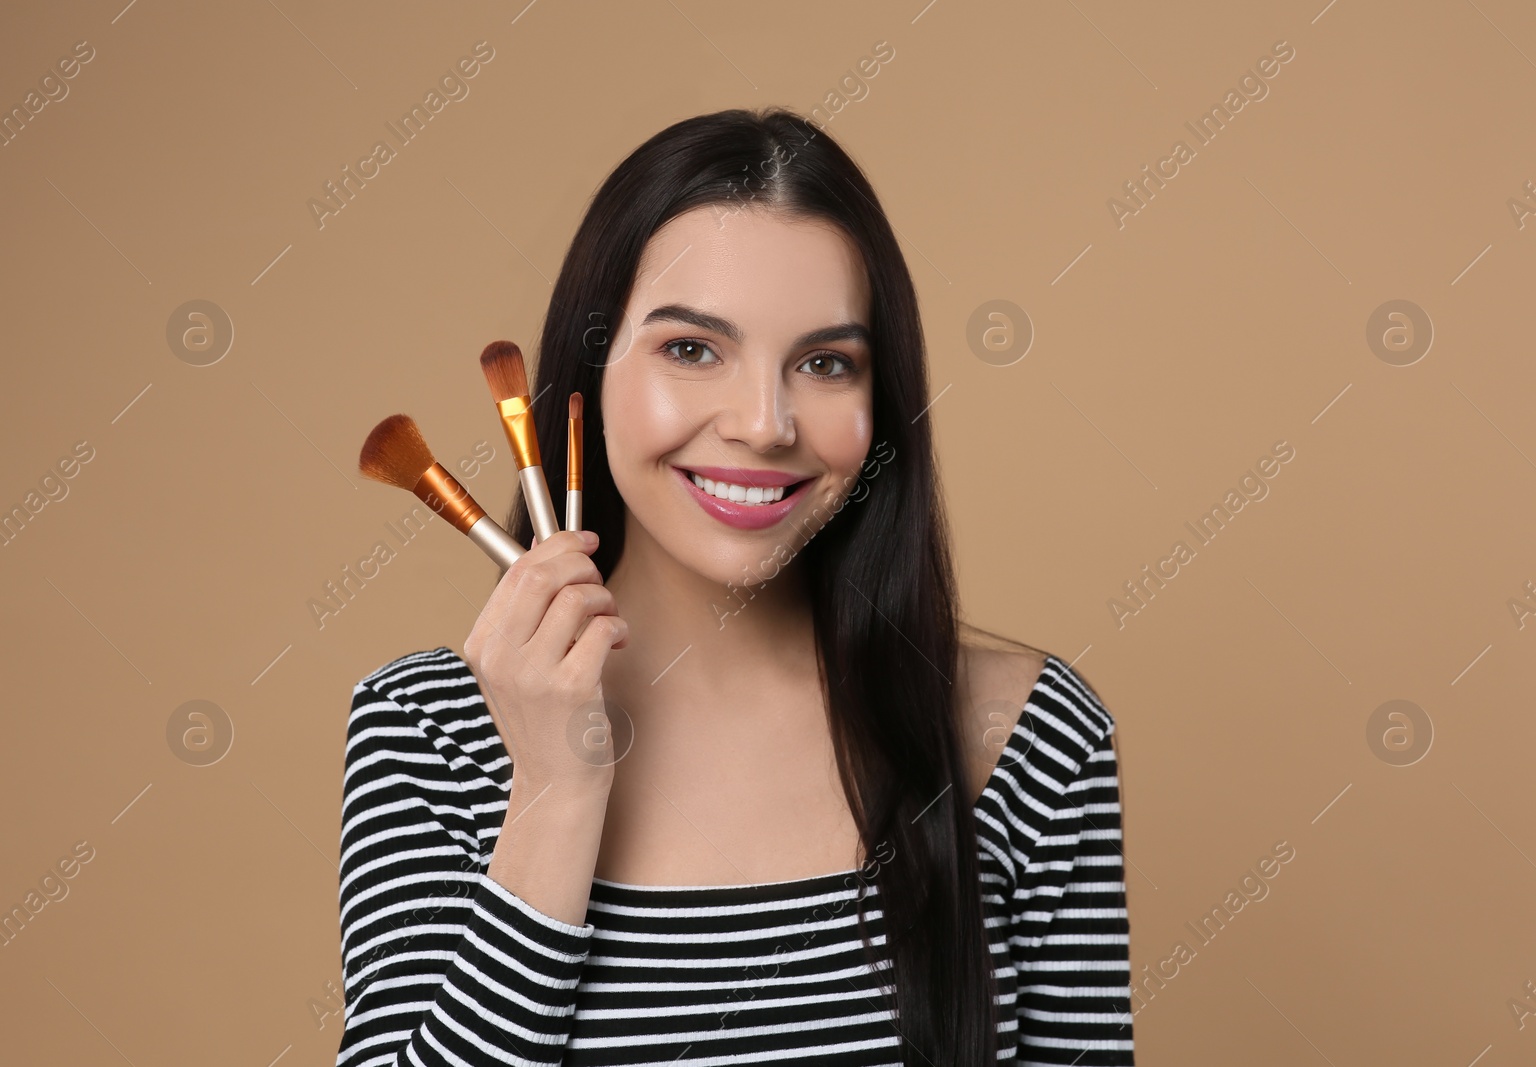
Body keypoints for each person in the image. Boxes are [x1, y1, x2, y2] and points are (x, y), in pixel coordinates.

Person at [336, 107, 1134, 1066]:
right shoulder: (429, 728)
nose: (764, 423)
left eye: (825, 363)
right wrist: (554, 787)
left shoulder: (1027, 737)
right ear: (588, 373)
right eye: (691, 348)